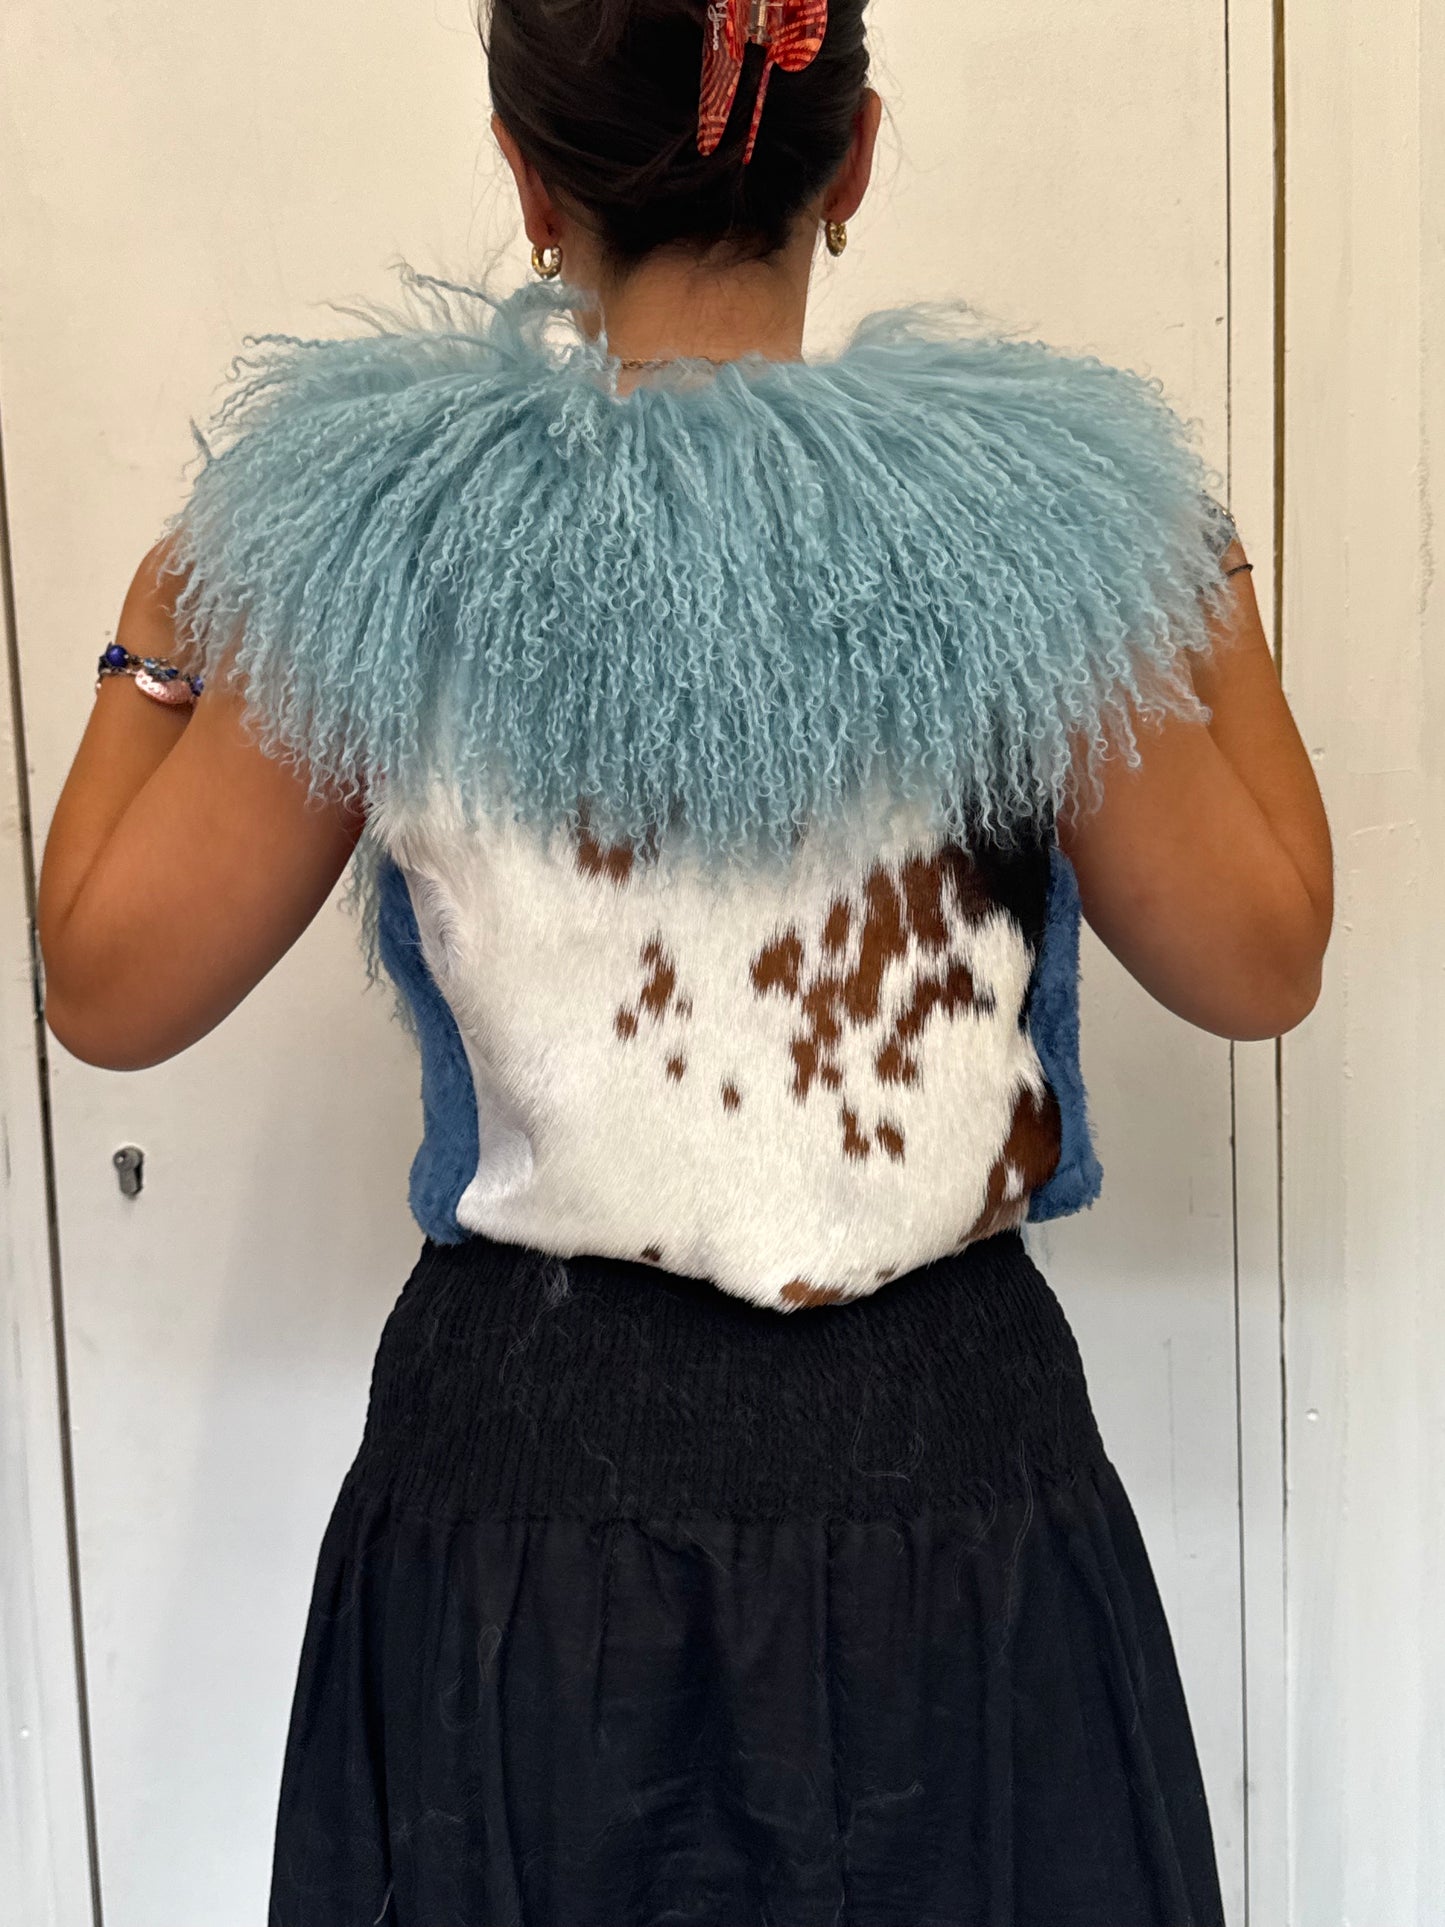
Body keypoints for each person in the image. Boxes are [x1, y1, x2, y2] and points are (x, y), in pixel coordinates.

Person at [37, 0, 1333, 1920]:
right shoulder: (1036, 538)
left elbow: (105, 986)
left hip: (521, 1504)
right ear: (853, 155)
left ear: (528, 183)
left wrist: (153, 650)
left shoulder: (387, 545)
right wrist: (1198, 585)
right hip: (949, 1479)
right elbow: (1262, 957)